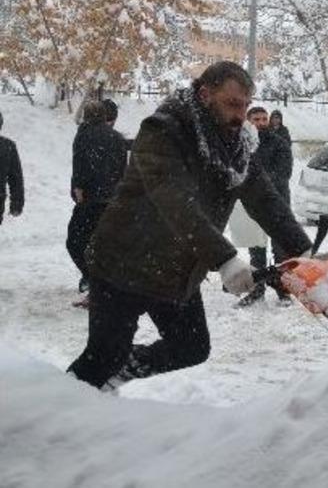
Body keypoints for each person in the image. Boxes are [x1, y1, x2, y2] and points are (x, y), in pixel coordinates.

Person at [68, 62, 313, 390]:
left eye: (244, 104)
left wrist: (303, 249)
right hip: (123, 265)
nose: (240, 115)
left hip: (174, 272)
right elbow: (174, 201)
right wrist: (224, 258)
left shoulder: (236, 144)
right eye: (232, 104)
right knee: (103, 356)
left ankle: (120, 372)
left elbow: (263, 199)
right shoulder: (164, 131)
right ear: (205, 94)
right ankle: (59, 408)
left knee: (191, 348)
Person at [232, 105, 294, 306]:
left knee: (279, 251)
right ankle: (257, 289)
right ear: (248, 121)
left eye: (263, 119)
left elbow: (283, 173)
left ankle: (282, 290)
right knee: (256, 250)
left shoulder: (279, 143)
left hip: (277, 203)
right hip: (252, 205)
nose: (260, 123)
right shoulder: (241, 144)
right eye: (256, 119)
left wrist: (258, 182)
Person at [67, 100, 129, 302]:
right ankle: (102, 286)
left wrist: (77, 189)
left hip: (90, 199)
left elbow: (80, 164)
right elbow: (123, 170)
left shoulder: (84, 134)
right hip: (112, 200)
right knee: (103, 245)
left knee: (75, 242)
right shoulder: (117, 138)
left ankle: (95, 282)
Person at [0, 110, 24, 225]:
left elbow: (16, 177)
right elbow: (16, 178)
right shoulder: (8, 146)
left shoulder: (8, 147)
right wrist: (17, 203)